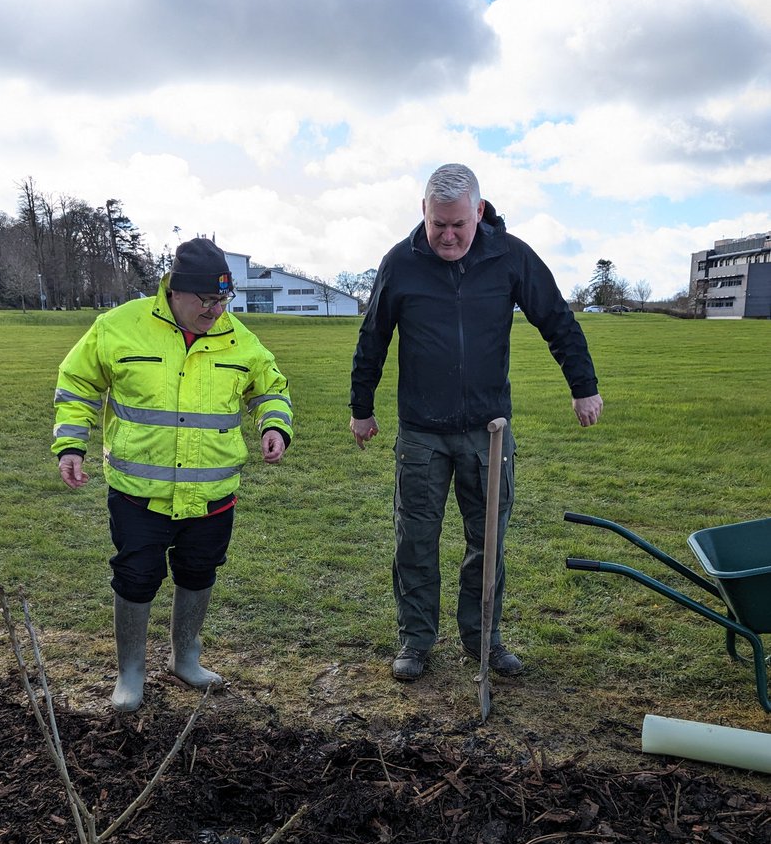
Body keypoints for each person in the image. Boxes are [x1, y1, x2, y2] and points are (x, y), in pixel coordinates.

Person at [349, 163, 602, 682]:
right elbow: (373, 336)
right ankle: (416, 642)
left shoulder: (511, 257)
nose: (446, 235)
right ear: (423, 212)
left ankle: (483, 639)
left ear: (479, 212)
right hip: (421, 433)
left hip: (490, 432)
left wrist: (584, 387)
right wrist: (361, 407)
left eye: (457, 225)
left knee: (486, 543)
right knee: (415, 542)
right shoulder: (400, 262)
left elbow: (557, 319)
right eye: (437, 224)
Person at [53, 237, 293, 711]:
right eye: (206, 300)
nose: (215, 310)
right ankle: (131, 673)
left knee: (199, 571)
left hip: (211, 492)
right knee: (137, 576)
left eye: (223, 299)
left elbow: (270, 387)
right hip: (138, 491)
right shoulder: (118, 327)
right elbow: (77, 383)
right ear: (175, 291)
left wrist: (275, 425)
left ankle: (186, 658)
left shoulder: (238, 337)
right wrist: (71, 444)